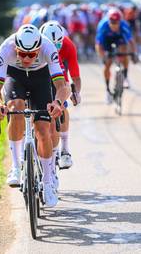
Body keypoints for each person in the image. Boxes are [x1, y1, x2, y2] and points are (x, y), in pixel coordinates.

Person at [0, 24, 70, 207]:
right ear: (15, 48)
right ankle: (16, 167)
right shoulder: (6, 48)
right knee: (15, 107)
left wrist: (57, 103)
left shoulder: (48, 48)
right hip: (15, 76)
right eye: (22, 54)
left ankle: (48, 182)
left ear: (39, 48)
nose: (26, 59)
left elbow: (62, 86)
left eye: (32, 54)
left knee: (43, 129)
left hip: (41, 77)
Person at [40, 21, 82, 174]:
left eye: (58, 45)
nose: (54, 49)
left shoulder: (68, 45)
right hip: (41, 75)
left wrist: (76, 93)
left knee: (62, 106)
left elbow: (75, 77)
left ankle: (64, 150)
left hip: (59, 77)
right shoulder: (38, 44)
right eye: (52, 45)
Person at [95, 8, 137, 104]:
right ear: (109, 21)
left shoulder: (124, 25)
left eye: (116, 23)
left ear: (120, 21)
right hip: (107, 40)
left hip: (119, 38)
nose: (114, 26)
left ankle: (125, 77)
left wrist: (134, 54)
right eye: (112, 23)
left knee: (125, 51)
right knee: (108, 64)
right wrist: (103, 56)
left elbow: (131, 42)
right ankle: (108, 91)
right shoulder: (103, 25)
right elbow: (98, 45)